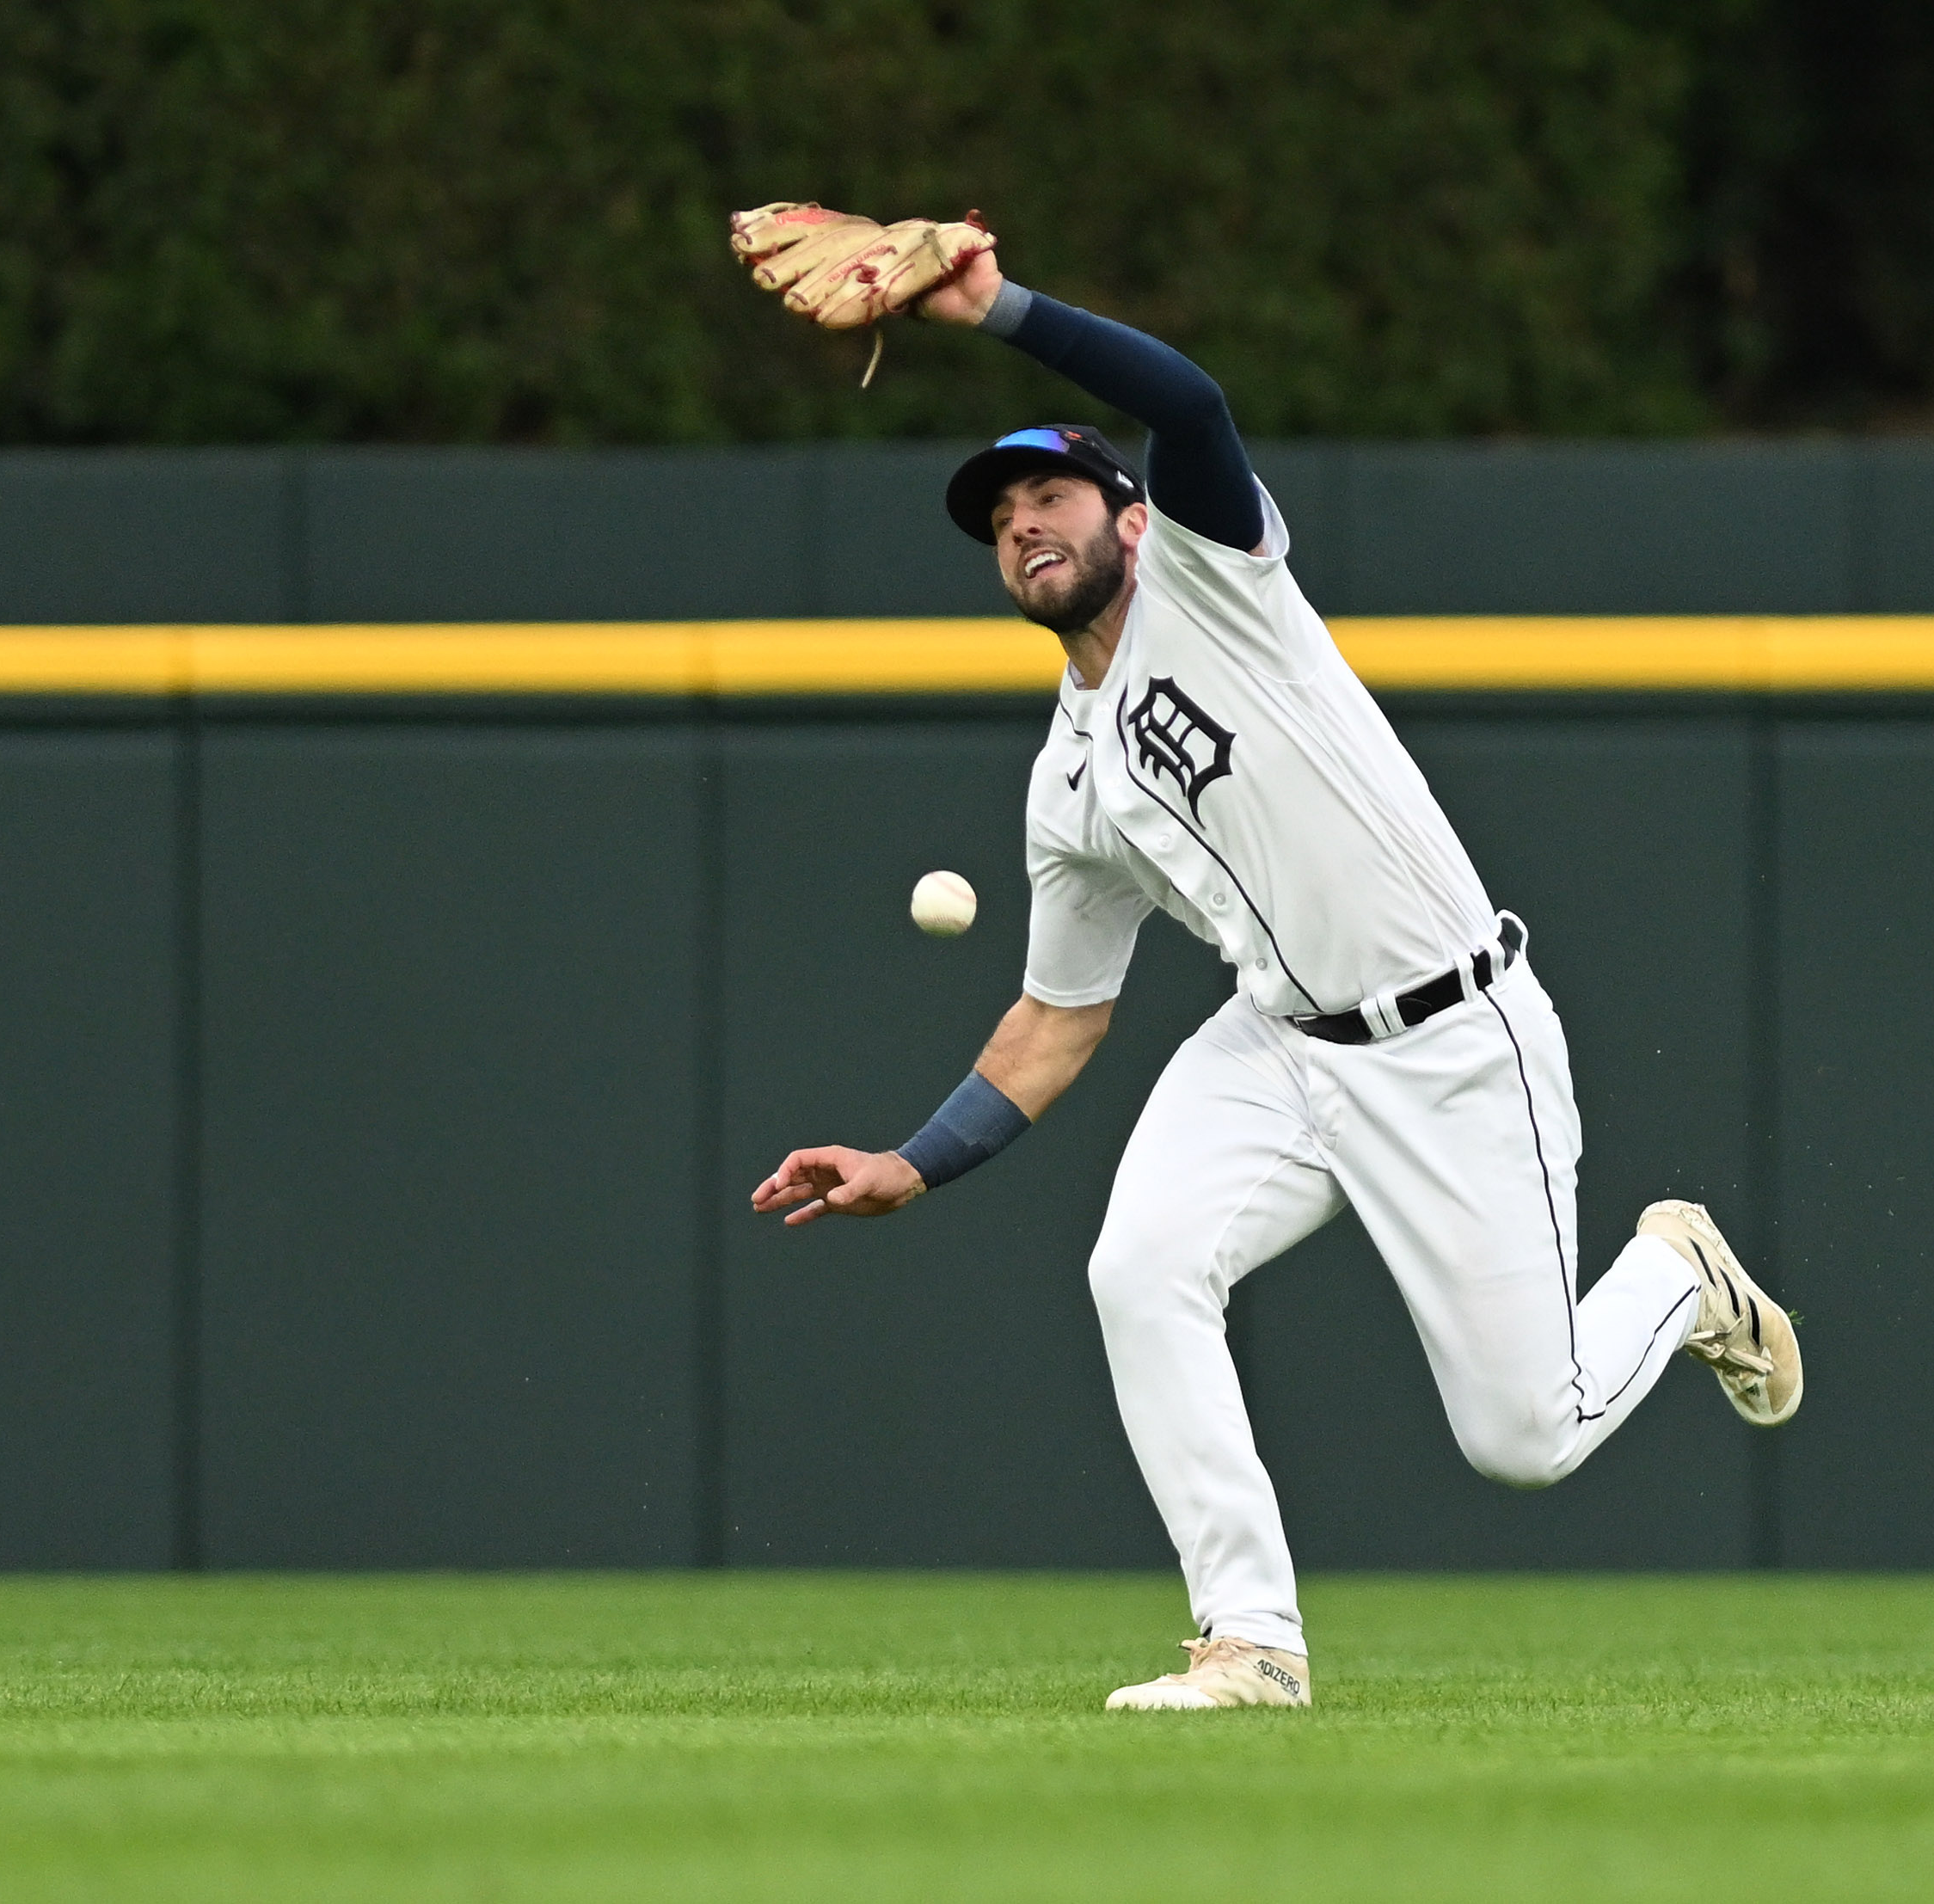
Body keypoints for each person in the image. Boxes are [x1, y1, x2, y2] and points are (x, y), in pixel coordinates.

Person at [749, 230, 1802, 1713]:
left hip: (1450, 1030)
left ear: (1122, 513)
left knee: (1525, 1434)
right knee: (1138, 1266)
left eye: (1048, 491)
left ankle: (1674, 1271)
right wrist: (911, 1163)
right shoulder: (1065, 779)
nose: (1020, 525)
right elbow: (1060, 1017)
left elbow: (1187, 403)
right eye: (995, 517)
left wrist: (995, 310)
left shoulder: (1210, 570)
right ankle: (1249, 1639)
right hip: (1277, 1043)